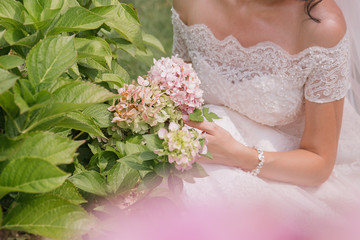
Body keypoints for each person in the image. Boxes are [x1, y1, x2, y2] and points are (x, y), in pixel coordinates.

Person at [171, 0, 360, 216]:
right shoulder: (192, 3)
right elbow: (179, 90)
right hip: (204, 147)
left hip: (282, 167)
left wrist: (238, 155)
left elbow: (319, 163)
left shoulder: (321, 26)